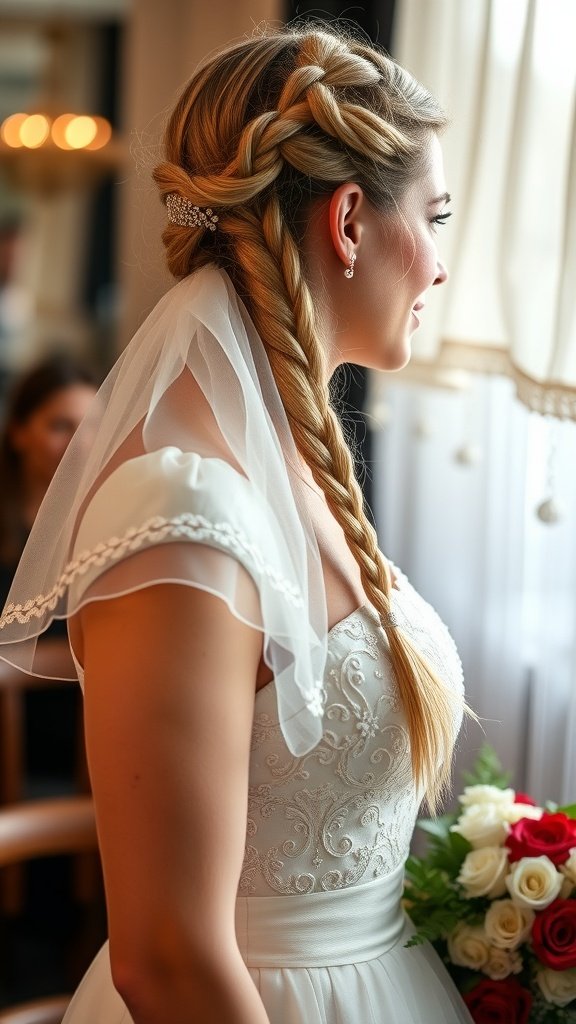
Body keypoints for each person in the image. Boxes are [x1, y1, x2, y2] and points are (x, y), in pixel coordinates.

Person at [0, 23, 475, 1024]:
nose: (440, 265)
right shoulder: (181, 506)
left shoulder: (285, 454)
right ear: (349, 221)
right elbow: (168, 958)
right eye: (434, 217)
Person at [0, 353, 97, 783]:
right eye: (61, 426)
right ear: (19, 433)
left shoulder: (111, 525)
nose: (80, 443)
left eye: (92, 426)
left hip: (86, 748)